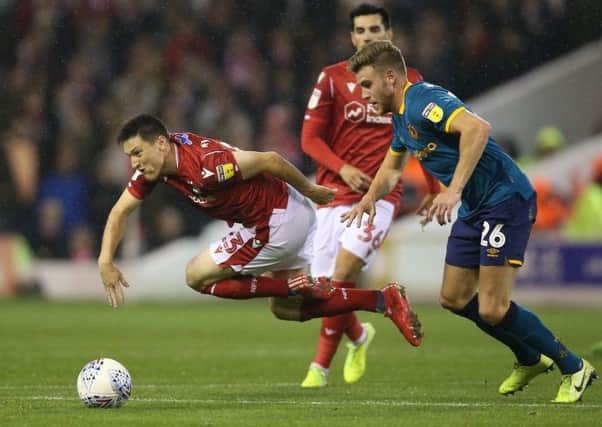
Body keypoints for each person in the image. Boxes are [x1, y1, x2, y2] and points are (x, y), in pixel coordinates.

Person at [341, 40, 597, 403]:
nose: (363, 94)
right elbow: (391, 168)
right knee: (454, 297)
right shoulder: (399, 117)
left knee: (493, 308)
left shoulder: (423, 101)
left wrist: (454, 189)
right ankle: (528, 357)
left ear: (390, 77)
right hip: (475, 208)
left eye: (366, 85)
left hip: (504, 199)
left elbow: (477, 128)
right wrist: (368, 199)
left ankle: (574, 367)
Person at [98, 114, 423, 349]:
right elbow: (119, 211)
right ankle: (383, 301)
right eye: (130, 157)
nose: (134, 164)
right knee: (283, 310)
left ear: (160, 144)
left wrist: (312, 191)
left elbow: (270, 160)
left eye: (138, 153)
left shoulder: (207, 167)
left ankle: (295, 287)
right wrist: (105, 260)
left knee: (196, 275)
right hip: (278, 217)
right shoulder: (157, 166)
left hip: (276, 221)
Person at [299, 3, 438, 388]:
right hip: (331, 193)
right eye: (360, 30)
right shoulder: (330, 79)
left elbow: (421, 135)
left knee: (342, 274)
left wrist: (433, 185)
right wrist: (341, 167)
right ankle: (359, 336)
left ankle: (319, 368)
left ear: (388, 33)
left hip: (380, 197)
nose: (368, 36)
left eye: (375, 28)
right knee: (322, 288)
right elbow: (309, 139)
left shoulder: (410, 81)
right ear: (352, 37)